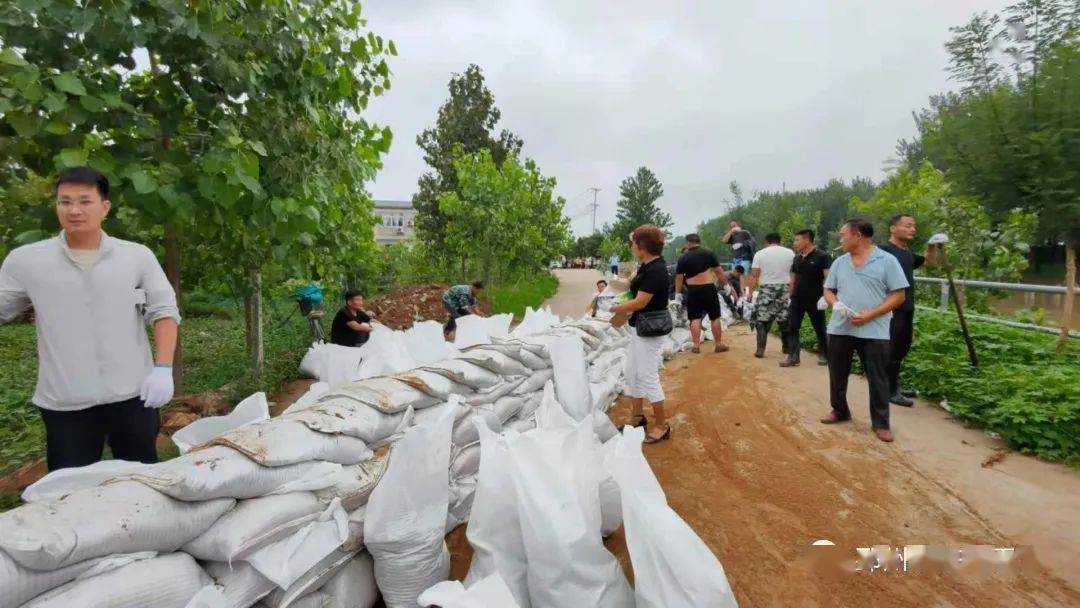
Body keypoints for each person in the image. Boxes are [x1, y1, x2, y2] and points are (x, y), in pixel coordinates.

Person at [0, 167, 180, 471]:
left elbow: (164, 311)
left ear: (104, 207)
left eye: (85, 201)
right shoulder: (27, 262)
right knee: (70, 492)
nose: (74, 210)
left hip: (133, 397)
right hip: (67, 403)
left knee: (141, 482)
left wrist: (163, 369)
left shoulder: (136, 257)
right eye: (65, 202)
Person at [821, 219, 909, 443]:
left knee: (878, 377)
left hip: (875, 329)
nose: (840, 239)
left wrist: (871, 315)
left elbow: (899, 296)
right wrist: (835, 304)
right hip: (841, 327)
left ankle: (881, 423)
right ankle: (840, 410)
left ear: (857, 235)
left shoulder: (887, 261)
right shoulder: (840, 262)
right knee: (837, 373)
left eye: (843, 235)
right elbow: (828, 290)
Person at [609, 225, 672, 444]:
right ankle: (637, 418)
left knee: (647, 376)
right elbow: (630, 284)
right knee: (632, 372)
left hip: (650, 331)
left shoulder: (657, 270)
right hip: (639, 328)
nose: (632, 246)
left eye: (634, 243)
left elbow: (641, 302)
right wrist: (607, 285)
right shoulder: (646, 266)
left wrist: (616, 309)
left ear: (642, 246)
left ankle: (662, 425)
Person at [879, 214, 938, 406]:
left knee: (902, 347)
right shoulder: (882, 251)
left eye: (914, 226)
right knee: (891, 347)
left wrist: (931, 246)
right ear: (893, 228)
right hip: (890, 308)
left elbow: (929, 264)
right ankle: (889, 390)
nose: (913, 229)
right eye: (908, 225)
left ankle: (894, 385)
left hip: (907, 306)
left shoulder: (906, 252)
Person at [782, 229, 833, 367]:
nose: (795, 243)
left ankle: (824, 354)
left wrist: (825, 296)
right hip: (797, 298)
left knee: (819, 327)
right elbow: (793, 278)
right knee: (792, 326)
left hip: (815, 298)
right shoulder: (797, 258)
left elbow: (828, 278)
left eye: (797, 240)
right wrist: (790, 295)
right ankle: (793, 356)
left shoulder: (823, 256)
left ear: (807, 240)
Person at [674, 233, 730, 353]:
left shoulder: (683, 257)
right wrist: (726, 285)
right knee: (714, 317)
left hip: (693, 290)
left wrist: (677, 293)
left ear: (688, 242)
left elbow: (678, 277)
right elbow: (719, 272)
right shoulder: (708, 253)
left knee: (695, 318)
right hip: (708, 288)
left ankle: (696, 345)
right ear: (699, 242)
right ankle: (718, 344)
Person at [746, 233, 795, 358]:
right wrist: (792, 291)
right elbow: (793, 274)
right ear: (780, 241)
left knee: (762, 319)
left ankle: (760, 349)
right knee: (784, 318)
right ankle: (786, 347)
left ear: (766, 242)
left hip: (766, 289)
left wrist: (750, 293)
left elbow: (754, 275)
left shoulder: (760, 253)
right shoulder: (790, 253)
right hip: (784, 288)